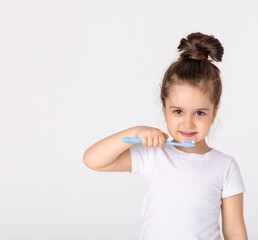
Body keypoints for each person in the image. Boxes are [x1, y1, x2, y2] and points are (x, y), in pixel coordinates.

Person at [83, 32, 248, 240]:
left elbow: (234, 231)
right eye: (178, 111)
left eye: (199, 113)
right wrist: (135, 132)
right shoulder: (152, 154)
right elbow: (92, 160)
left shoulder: (225, 166)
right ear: (164, 110)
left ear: (214, 114)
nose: (187, 123)